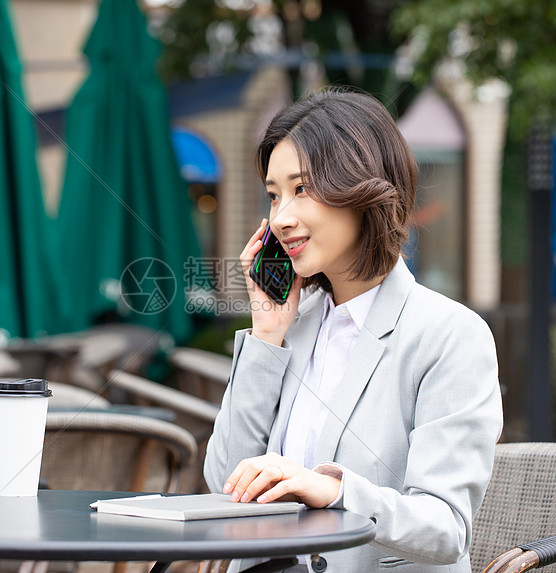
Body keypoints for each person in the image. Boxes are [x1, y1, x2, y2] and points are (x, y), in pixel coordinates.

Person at [203, 88, 503, 573]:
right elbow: (222, 484)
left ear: (362, 189)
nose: (281, 218)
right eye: (274, 195)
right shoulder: (289, 330)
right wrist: (266, 334)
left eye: (302, 189)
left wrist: (337, 492)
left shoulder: (450, 335)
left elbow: (446, 528)